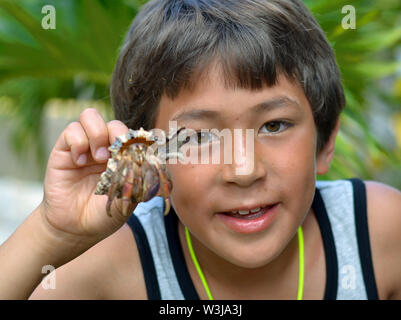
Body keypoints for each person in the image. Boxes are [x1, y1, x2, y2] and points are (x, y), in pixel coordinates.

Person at [1, 0, 400, 300]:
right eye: (197, 137)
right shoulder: (119, 264)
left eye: (274, 125)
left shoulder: (376, 232)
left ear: (325, 143)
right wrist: (53, 233)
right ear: (150, 162)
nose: (244, 170)